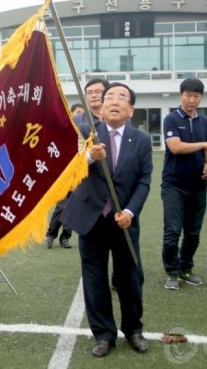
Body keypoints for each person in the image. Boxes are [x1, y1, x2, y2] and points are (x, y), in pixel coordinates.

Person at [61, 82, 152, 358]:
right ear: (101, 107)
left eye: (121, 97)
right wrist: (89, 156)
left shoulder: (142, 140)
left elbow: (144, 181)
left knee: (130, 277)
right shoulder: (86, 131)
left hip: (123, 220)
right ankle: (103, 334)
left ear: (131, 109)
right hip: (91, 218)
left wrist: (131, 212)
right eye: (109, 96)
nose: (114, 101)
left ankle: (134, 330)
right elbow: (67, 170)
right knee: (94, 278)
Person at [161, 78, 207, 290]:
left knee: (193, 232)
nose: (191, 100)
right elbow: (176, 147)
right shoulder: (171, 119)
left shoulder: (203, 121)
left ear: (201, 98)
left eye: (196, 96)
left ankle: (186, 268)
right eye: (188, 95)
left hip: (198, 185)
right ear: (181, 95)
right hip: (174, 185)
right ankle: (171, 271)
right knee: (172, 231)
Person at [43, 79, 109, 249]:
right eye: (90, 92)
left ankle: (65, 237)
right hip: (73, 175)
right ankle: (51, 235)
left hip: (103, 186)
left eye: (98, 92)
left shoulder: (115, 120)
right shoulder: (77, 122)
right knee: (63, 206)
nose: (94, 96)